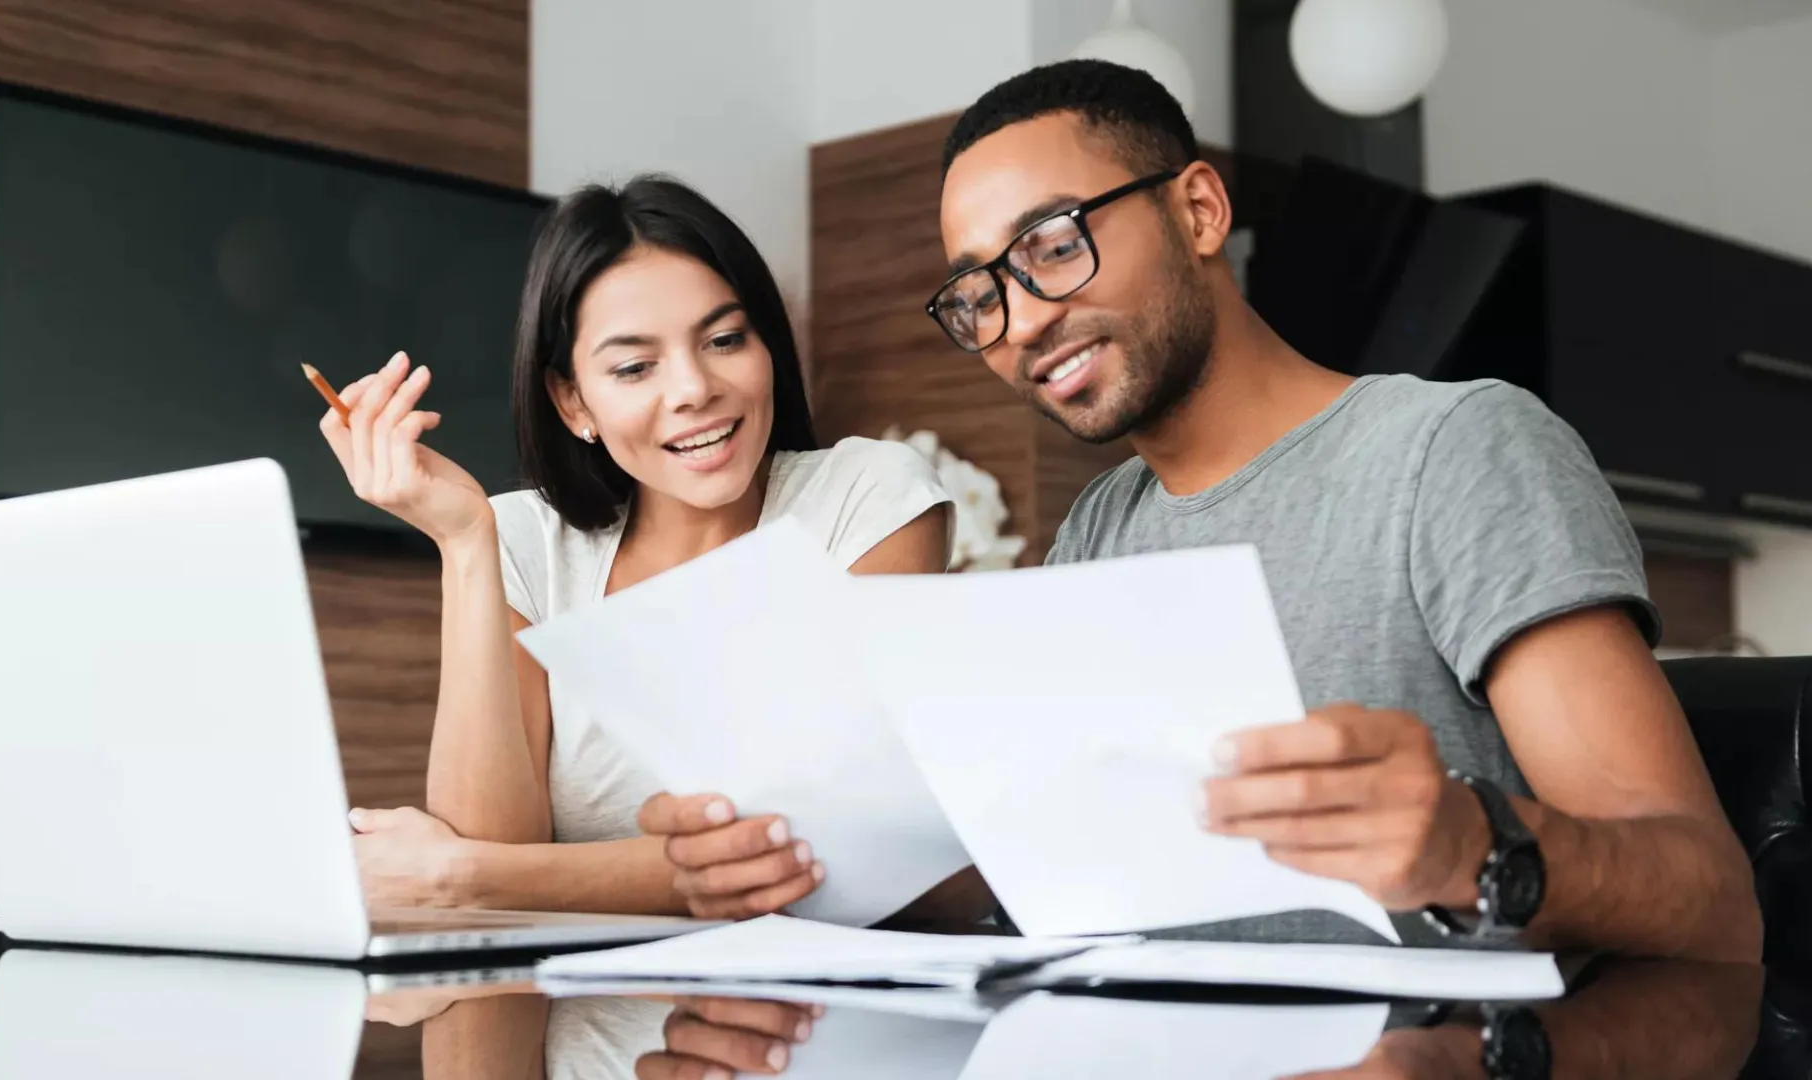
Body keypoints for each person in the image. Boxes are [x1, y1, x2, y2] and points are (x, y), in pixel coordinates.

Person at [641, 61, 1762, 963]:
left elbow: (1709, 899)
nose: (1020, 321)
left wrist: (1474, 843)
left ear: (1199, 208)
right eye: (979, 294)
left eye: (1051, 245)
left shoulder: (1455, 449)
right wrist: (796, 861)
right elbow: (1058, 880)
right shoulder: (1098, 526)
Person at [316, 175, 959, 917]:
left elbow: (826, 851)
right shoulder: (526, 539)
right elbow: (487, 841)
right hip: (566, 1025)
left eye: (725, 340)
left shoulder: (868, 498)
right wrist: (464, 544)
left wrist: (464, 876)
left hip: (803, 1023)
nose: (693, 388)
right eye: (634, 367)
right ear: (572, 401)